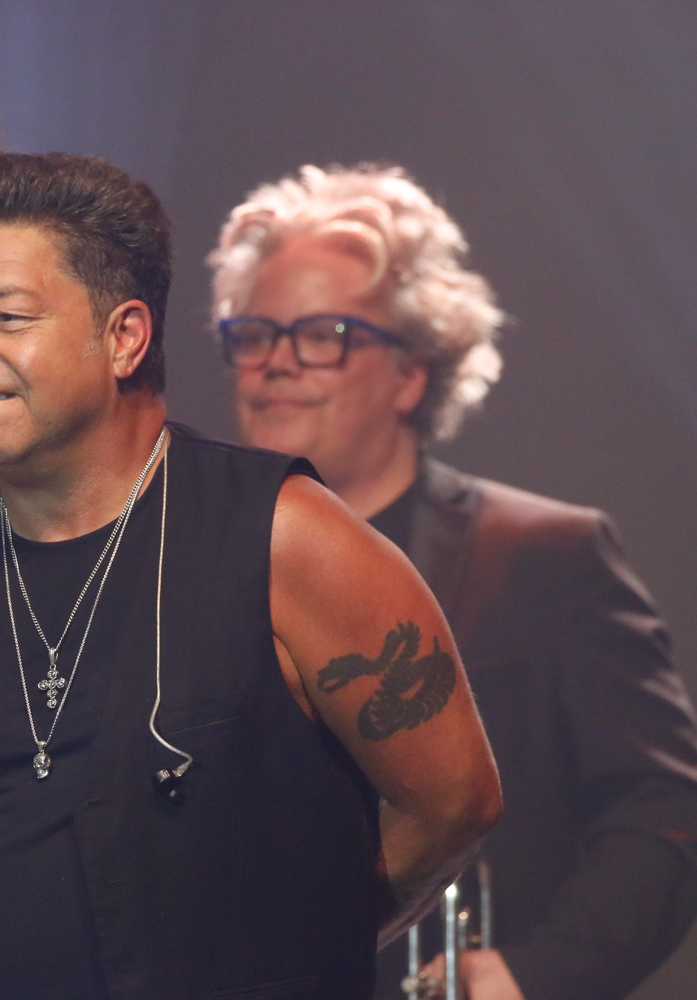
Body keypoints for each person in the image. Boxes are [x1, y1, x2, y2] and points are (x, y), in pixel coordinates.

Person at [0, 151, 503, 1000]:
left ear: (124, 337)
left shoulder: (284, 536)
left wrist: (298, 948)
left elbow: (452, 801)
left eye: (7, 317)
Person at [207, 163, 697, 1000]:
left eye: (323, 334)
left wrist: (530, 976)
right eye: (254, 334)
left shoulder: (547, 556)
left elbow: (664, 816)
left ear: (412, 372)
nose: (277, 363)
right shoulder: (193, 566)